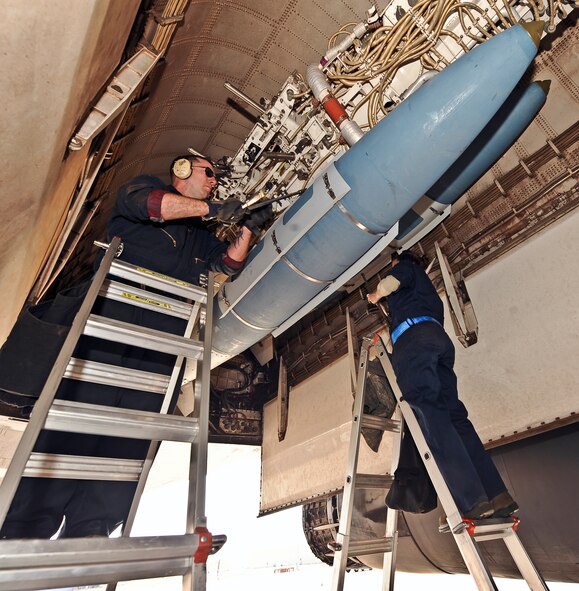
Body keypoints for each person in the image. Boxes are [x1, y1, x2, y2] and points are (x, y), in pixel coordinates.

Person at [0, 153, 272, 539]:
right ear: (181, 170)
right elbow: (151, 206)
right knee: (75, 423)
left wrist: (247, 227)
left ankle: (92, 528)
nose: (214, 181)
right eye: (208, 173)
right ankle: (24, 528)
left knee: (132, 438)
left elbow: (227, 265)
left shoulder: (201, 238)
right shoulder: (143, 191)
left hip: (160, 349)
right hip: (108, 333)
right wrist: (214, 208)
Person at [367, 250, 518, 520]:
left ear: (398, 262)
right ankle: (497, 494)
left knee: (431, 415)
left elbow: (389, 284)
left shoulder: (406, 270)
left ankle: (472, 500)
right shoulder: (426, 293)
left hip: (415, 344)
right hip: (437, 341)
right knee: (455, 416)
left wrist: (376, 295)